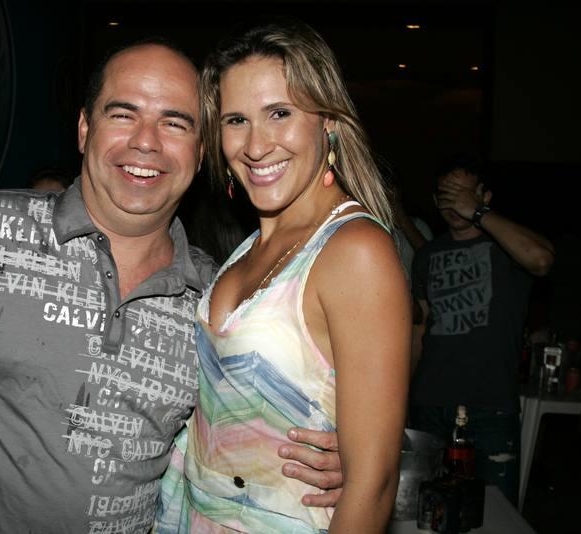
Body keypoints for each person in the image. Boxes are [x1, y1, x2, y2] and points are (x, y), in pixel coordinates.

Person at [0, 41, 343, 534]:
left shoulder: (218, 301)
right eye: (123, 114)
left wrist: (337, 461)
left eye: (175, 123)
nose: (146, 142)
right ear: (83, 129)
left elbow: (246, 429)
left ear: (201, 153)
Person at [157, 21, 411, 533]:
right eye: (236, 120)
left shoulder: (355, 251)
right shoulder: (253, 245)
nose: (256, 145)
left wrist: (357, 458)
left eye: (280, 113)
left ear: (328, 121)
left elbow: (373, 486)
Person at [410, 156, 554, 504]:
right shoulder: (428, 254)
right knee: (425, 507)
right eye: (447, 195)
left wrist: (477, 212)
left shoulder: (507, 245)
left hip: (491, 405)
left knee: (497, 510)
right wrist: (404, 392)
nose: (455, 203)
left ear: (484, 196)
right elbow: (420, 328)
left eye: (464, 193)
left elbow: (542, 260)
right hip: (431, 402)